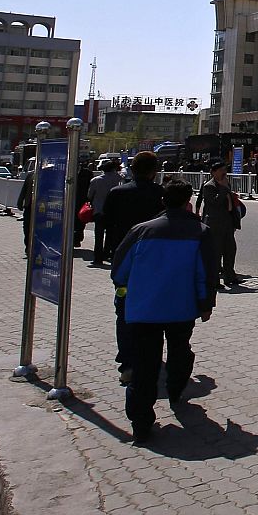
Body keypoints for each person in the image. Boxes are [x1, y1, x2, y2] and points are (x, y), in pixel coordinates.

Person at [111, 179, 216, 446]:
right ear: (188, 202)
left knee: (145, 366)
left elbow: (119, 272)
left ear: (163, 201)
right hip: (182, 309)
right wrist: (206, 305)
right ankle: (175, 391)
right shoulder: (200, 232)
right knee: (180, 351)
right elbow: (205, 274)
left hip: (143, 310)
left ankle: (140, 423)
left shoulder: (140, 231)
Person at [102, 150, 165, 385]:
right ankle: (149, 357)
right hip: (153, 264)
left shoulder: (117, 193)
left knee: (123, 309)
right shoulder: (159, 194)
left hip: (124, 264)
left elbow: (106, 221)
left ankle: (127, 361)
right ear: (153, 171)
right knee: (152, 309)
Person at [195, 160, 244, 287]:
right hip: (214, 223)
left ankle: (230, 276)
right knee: (216, 253)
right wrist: (223, 188)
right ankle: (214, 280)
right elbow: (215, 203)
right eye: (221, 170)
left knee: (230, 250)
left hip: (227, 222)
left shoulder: (226, 184)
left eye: (225, 170)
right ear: (213, 172)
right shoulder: (209, 186)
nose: (224, 173)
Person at [87, 158, 125, 264]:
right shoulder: (119, 179)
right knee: (110, 234)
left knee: (98, 236)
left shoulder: (96, 180)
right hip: (113, 211)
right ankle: (107, 253)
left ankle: (97, 258)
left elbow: (89, 195)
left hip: (99, 210)